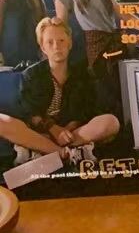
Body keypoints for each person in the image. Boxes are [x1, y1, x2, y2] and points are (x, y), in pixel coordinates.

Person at [0, 17, 120, 166]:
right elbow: (30, 113)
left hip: (71, 134)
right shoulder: (31, 75)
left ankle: (44, 151)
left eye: (61, 41)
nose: (56, 46)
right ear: (43, 48)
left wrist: (67, 131)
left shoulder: (81, 75)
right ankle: (65, 152)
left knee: (111, 122)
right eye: (50, 42)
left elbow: (83, 111)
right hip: (38, 132)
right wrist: (53, 129)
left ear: (69, 44)